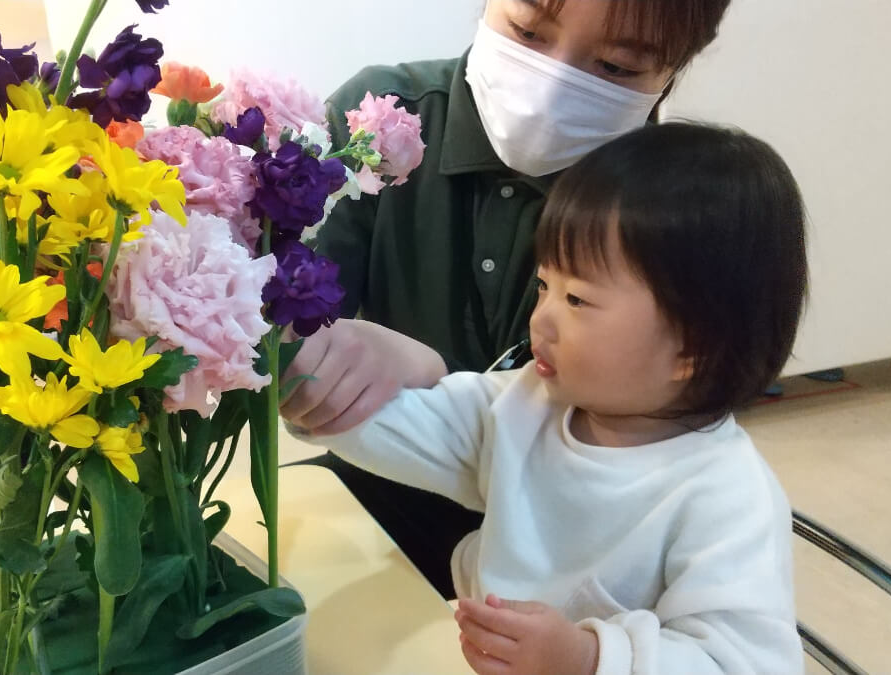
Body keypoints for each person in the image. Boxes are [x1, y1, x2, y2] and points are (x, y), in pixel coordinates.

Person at [288, 122, 808, 674]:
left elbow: (747, 665)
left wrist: (589, 659)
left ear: (695, 349)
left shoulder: (725, 497)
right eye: (544, 287)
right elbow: (413, 426)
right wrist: (303, 375)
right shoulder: (530, 400)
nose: (543, 318)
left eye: (578, 299)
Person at [284, 0, 735, 599]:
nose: (551, 89)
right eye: (527, 32)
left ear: (674, 70)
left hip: (565, 563)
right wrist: (335, 366)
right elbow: (272, 334)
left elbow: (657, 446)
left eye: (617, 68)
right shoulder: (378, 126)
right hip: (374, 507)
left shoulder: (674, 214)